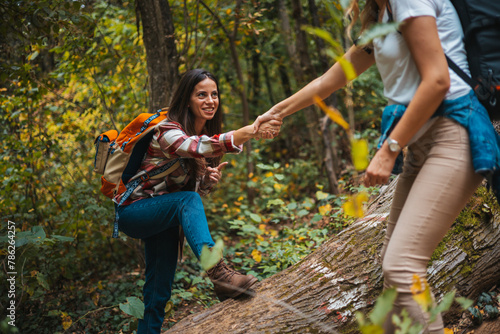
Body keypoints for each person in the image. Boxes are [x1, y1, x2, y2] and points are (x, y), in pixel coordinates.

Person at [253, 0, 500, 333]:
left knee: (402, 266)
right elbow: (332, 78)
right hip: (422, 145)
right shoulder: (383, 15)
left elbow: (438, 81)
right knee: (392, 267)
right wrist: (277, 111)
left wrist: (388, 149)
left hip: (454, 135)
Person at [116, 68, 281, 333]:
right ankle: (219, 274)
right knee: (188, 200)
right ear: (187, 99)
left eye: (214, 94)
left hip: (164, 217)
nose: (210, 100)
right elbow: (195, 148)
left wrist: (205, 182)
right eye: (201, 94)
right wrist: (249, 131)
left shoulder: (199, 140)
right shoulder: (167, 131)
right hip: (134, 212)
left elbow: (190, 194)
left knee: (158, 291)